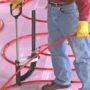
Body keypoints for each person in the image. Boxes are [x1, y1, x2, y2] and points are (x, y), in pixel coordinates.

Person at [11, 0, 90, 90]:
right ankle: (62, 80)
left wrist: (83, 20)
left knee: (81, 52)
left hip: (69, 11)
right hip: (52, 9)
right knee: (56, 48)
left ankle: (88, 86)